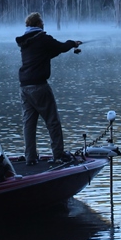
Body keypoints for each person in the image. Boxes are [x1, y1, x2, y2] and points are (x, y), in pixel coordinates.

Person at [15, 12, 82, 165]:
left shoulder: (26, 41)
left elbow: (48, 53)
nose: (44, 24)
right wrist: (73, 43)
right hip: (39, 86)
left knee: (29, 124)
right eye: (42, 22)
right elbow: (60, 47)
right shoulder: (42, 38)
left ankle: (30, 157)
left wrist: (67, 46)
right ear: (38, 24)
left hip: (24, 87)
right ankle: (58, 154)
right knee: (53, 121)